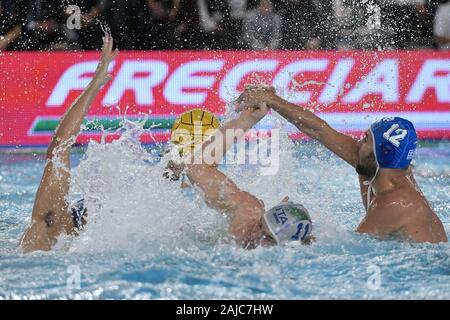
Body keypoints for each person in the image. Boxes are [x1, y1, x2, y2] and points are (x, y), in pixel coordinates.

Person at [236, 86, 448, 243]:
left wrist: (295, 236)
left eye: (365, 139)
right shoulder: (382, 167)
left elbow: (351, 251)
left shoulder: (396, 204)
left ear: (382, 153)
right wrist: (272, 100)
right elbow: (319, 130)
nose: (357, 142)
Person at [20, 31, 118, 252]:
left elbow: (59, 145)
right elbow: (59, 145)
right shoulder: (52, 221)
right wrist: (95, 84)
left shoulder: (50, 228)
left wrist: (96, 83)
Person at [166, 102, 313, 249]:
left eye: (268, 238)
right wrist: (245, 121)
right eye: (261, 224)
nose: (254, 235)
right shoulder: (247, 210)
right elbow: (197, 166)